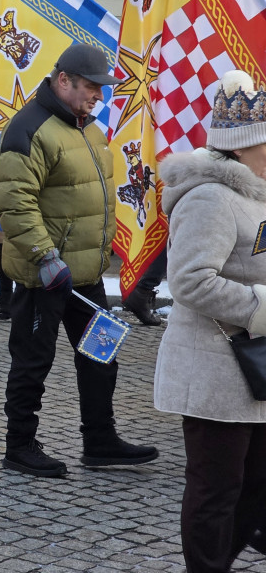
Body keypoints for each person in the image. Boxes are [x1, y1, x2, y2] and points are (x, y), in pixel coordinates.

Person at [0, 44, 158, 477]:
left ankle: (100, 440)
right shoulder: (29, 128)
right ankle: (19, 445)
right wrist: (45, 256)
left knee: (102, 356)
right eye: (91, 88)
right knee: (33, 362)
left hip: (85, 274)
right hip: (43, 276)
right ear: (63, 80)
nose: (99, 97)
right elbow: (12, 200)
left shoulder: (89, 128)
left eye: (102, 89)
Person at [155, 70, 266, 572]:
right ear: (242, 149)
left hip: (253, 370)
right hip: (216, 372)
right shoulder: (211, 198)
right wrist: (262, 306)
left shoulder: (254, 192)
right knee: (216, 491)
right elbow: (191, 281)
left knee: (254, 489)